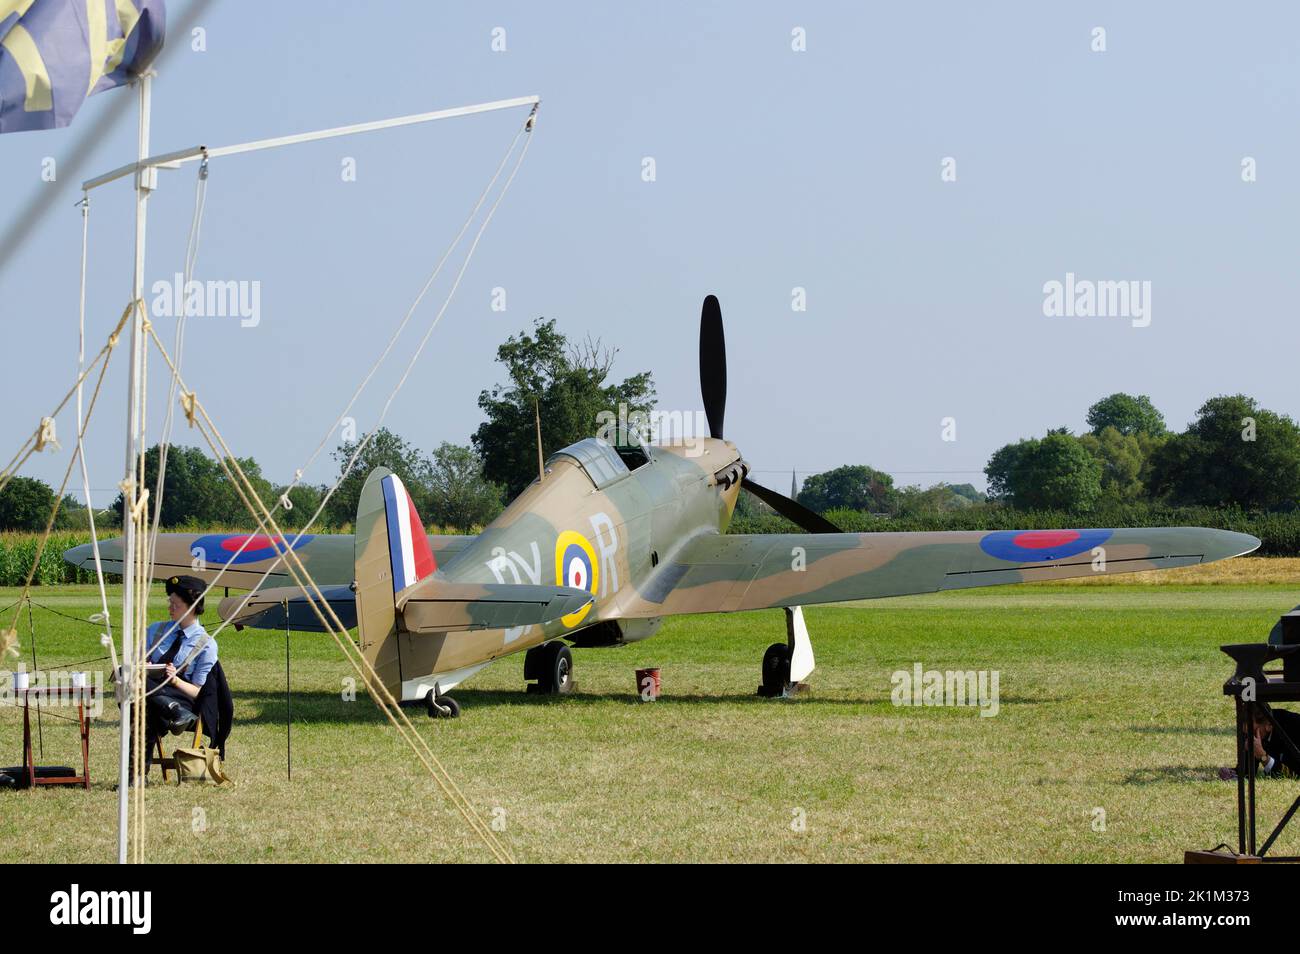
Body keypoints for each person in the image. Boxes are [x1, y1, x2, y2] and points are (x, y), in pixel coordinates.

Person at [129, 575, 218, 780]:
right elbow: (135, 663)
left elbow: (200, 693)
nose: (170, 608)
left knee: (139, 707)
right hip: (151, 694)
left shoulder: (206, 644)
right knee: (133, 684)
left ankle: (134, 776)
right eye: (170, 603)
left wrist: (176, 680)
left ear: (192, 607)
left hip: (183, 698)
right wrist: (144, 665)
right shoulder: (155, 630)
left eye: (175, 605)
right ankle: (172, 710)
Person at [1220, 703, 1300, 780]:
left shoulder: (1293, 729)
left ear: (1269, 725)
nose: (1249, 739)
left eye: (1253, 732)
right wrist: (1233, 773)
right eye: (1245, 733)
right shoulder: (1251, 729)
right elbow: (1247, 773)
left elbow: (1293, 774)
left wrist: (1263, 757)